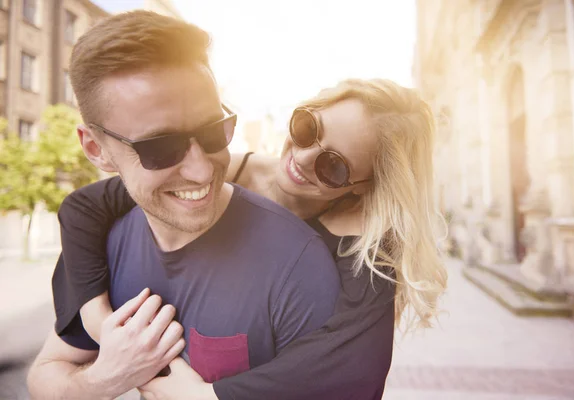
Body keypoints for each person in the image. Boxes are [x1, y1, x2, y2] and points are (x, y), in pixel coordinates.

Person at [49, 72, 447, 399]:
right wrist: (96, 317)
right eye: (308, 128)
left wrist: (206, 397)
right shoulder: (222, 176)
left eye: (335, 166)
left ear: (362, 185)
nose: (303, 158)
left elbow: (351, 366)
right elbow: (83, 207)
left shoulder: (364, 243)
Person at [26, 10, 342, 400]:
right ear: (96, 149)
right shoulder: (101, 246)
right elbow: (45, 374)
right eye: (161, 147)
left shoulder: (297, 265)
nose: (201, 170)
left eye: (214, 131)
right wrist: (105, 378)